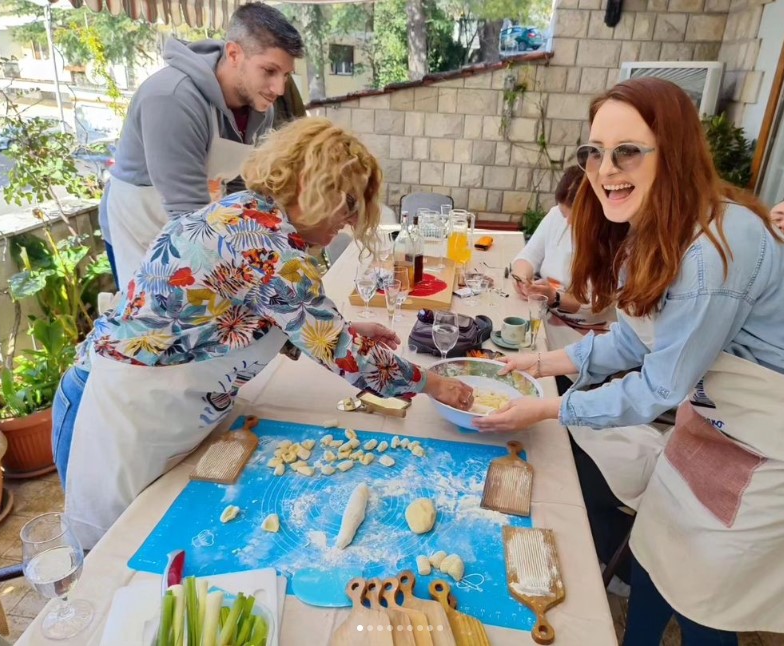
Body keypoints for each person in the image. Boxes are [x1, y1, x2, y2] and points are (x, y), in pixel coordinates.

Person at [475, 78, 784, 644]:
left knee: (707, 598)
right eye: (594, 152)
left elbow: (659, 385)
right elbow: (638, 337)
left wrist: (548, 412)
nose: (605, 168)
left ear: (676, 152)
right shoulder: (656, 231)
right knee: (655, 554)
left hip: (779, 443)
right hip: (716, 421)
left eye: (628, 151)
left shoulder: (717, 246)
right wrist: (543, 366)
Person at [52, 118, 474, 549]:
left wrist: (331, 331)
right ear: (311, 181)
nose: (346, 223)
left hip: (152, 405)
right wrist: (432, 382)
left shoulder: (248, 213)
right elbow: (345, 353)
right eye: (346, 204)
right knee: (110, 553)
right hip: (118, 413)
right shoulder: (267, 243)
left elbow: (244, 314)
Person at [101, 2, 304, 289]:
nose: (279, 89)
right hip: (139, 224)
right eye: (269, 71)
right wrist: (248, 281)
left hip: (194, 218)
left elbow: (238, 191)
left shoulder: (260, 107)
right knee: (150, 319)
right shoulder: (172, 98)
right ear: (234, 53)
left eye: (285, 75)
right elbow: (187, 218)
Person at [511, 166, 610, 326]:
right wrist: (522, 279)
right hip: (547, 314)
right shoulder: (556, 215)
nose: (568, 222)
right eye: (564, 214)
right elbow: (528, 256)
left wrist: (554, 297)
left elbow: (596, 304)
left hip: (589, 328)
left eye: (576, 216)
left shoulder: (610, 239)